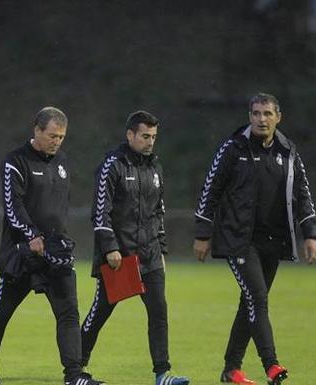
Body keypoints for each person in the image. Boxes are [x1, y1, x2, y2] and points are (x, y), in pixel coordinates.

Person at [193, 93, 316, 385]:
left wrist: (310, 234)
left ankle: (230, 369)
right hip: (238, 240)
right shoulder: (232, 147)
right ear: (249, 116)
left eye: (267, 114)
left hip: (273, 241)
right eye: (256, 113)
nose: (261, 119)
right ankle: (271, 365)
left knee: (249, 302)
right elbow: (210, 190)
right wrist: (203, 233)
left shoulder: (288, 150)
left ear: (278, 117)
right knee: (258, 299)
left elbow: (303, 194)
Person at [0, 107, 103, 385]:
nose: (57, 141)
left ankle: (74, 375)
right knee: (2, 312)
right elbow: (13, 206)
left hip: (56, 253)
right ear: (36, 130)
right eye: (52, 135)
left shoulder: (63, 162)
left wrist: (58, 239)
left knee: (69, 313)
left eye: (61, 137)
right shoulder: (15, 161)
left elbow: (58, 209)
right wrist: (31, 234)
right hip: (22, 253)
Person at [80, 111, 189, 385]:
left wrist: (161, 250)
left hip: (150, 255)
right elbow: (100, 212)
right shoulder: (112, 165)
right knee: (101, 312)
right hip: (121, 257)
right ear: (130, 135)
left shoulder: (155, 167)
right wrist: (110, 248)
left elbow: (158, 212)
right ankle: (75, 364)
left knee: (158, 312)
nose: (150, 141)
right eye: (145, 136)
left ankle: (162, 373)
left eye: (153, 137)